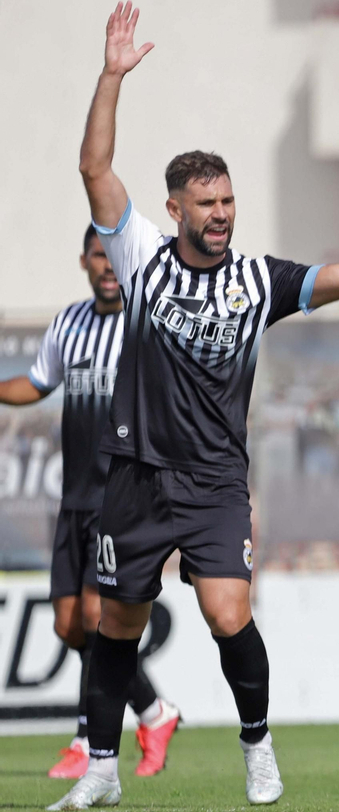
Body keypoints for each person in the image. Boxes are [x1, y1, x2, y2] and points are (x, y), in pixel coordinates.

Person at [50, 1, 339, 811]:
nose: (221, 215)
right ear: (174, 210)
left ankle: (257, 745)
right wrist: (111, 77)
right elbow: (95, 169)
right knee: (115, 625)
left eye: (229, 202)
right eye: (206, 204)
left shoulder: (257, 281)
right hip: (135, 474)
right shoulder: (138, 257)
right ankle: (101, 765)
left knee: (226, 612)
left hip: (212, 479)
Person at [0, 227, 179, 779]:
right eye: (97, 256)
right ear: (84, 260)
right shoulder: (68, 324)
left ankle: (86, 737)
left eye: (113, 256)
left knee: (100, 617)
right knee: (69, 626)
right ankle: (153, 709)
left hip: (120, 497)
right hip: (74, 499)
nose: (106, 266)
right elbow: (36, 383)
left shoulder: (147, 323)